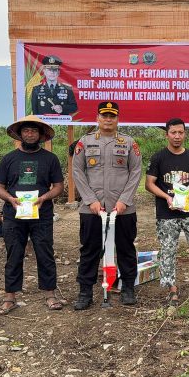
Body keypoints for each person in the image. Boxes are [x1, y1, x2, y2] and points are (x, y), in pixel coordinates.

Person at [72, 101, 142, 310]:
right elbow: (78, 172)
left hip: (123, 208)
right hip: (91, 208)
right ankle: (85, 291)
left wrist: (124, 201)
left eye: (112, 116)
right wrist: (91, 200)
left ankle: (128, 287)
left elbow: (136, 172)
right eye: (104, 116)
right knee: (89, 249)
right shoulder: (84, 143)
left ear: (117, 119)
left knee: (126, 248)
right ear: (98, 118)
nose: (108, 120)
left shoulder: (129, 143)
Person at [0, 115, 65, 314]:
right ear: (20, 134)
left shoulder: (50, 159)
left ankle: (50, 294)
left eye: (34, 130)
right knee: (14, 252)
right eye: (26, 130)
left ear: (41, 135)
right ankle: (10, 296)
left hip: (42, 214)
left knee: (44, 251)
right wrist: (10, 199)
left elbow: (58, 186)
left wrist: (44, 198)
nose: (30, 134)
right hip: (13, 214)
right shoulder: (9, 159)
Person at [145, 118, 189, 305]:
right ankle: (171, 287)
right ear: (166, 134)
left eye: (180, 132)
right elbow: (149, 184)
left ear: (185, 134)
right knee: (168, 250)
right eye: (173, 133)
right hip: (167, 214)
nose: (177, 136)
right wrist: (166, 197)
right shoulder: (159, 157)